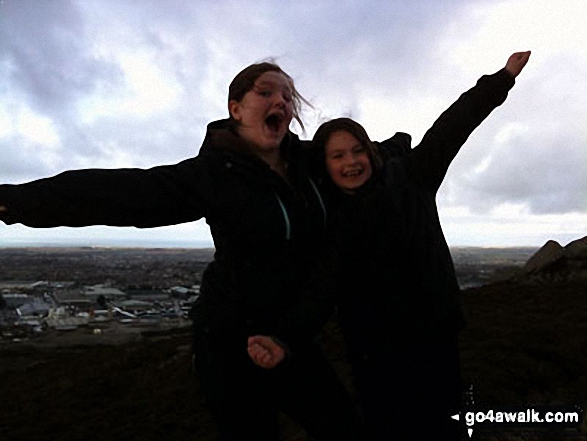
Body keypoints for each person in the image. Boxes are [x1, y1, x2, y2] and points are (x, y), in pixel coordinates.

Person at [0, 62, 363, 441]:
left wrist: (406, 145)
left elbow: (372, 159)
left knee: (345, 428)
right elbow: (120, 194)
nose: (281, 101)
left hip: (290, 335)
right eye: (266, 92)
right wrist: (13, 202)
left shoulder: (312, 164)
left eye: (288, 96)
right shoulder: (212, 175)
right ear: (235, 108)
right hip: (228, 341)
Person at [249, 51, 531, 440]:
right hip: (373, 353)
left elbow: (452, 126)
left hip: (433, 339)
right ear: (325, 165)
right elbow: (321, 288)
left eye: (357, 151)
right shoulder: (331, 218)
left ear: (370, 152)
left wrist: (501, 79)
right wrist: (283, 339)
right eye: (338, 155)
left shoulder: (411, 177)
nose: (351, 162)